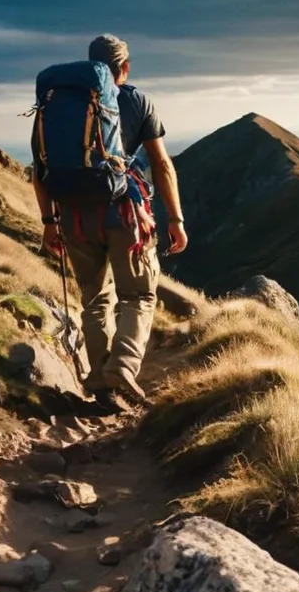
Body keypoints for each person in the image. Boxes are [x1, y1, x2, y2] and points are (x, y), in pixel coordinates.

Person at [31, 34, 188, 411]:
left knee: (95, 298)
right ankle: (123, 367)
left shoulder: (58, 100)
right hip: (124, 212)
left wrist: (50, 222)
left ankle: (101, 384)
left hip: (73, 214)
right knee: (138, 295)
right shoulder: (136, 100)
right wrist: (176, 219)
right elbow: (162, 164)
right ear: (125, 67)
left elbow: (40, 168)